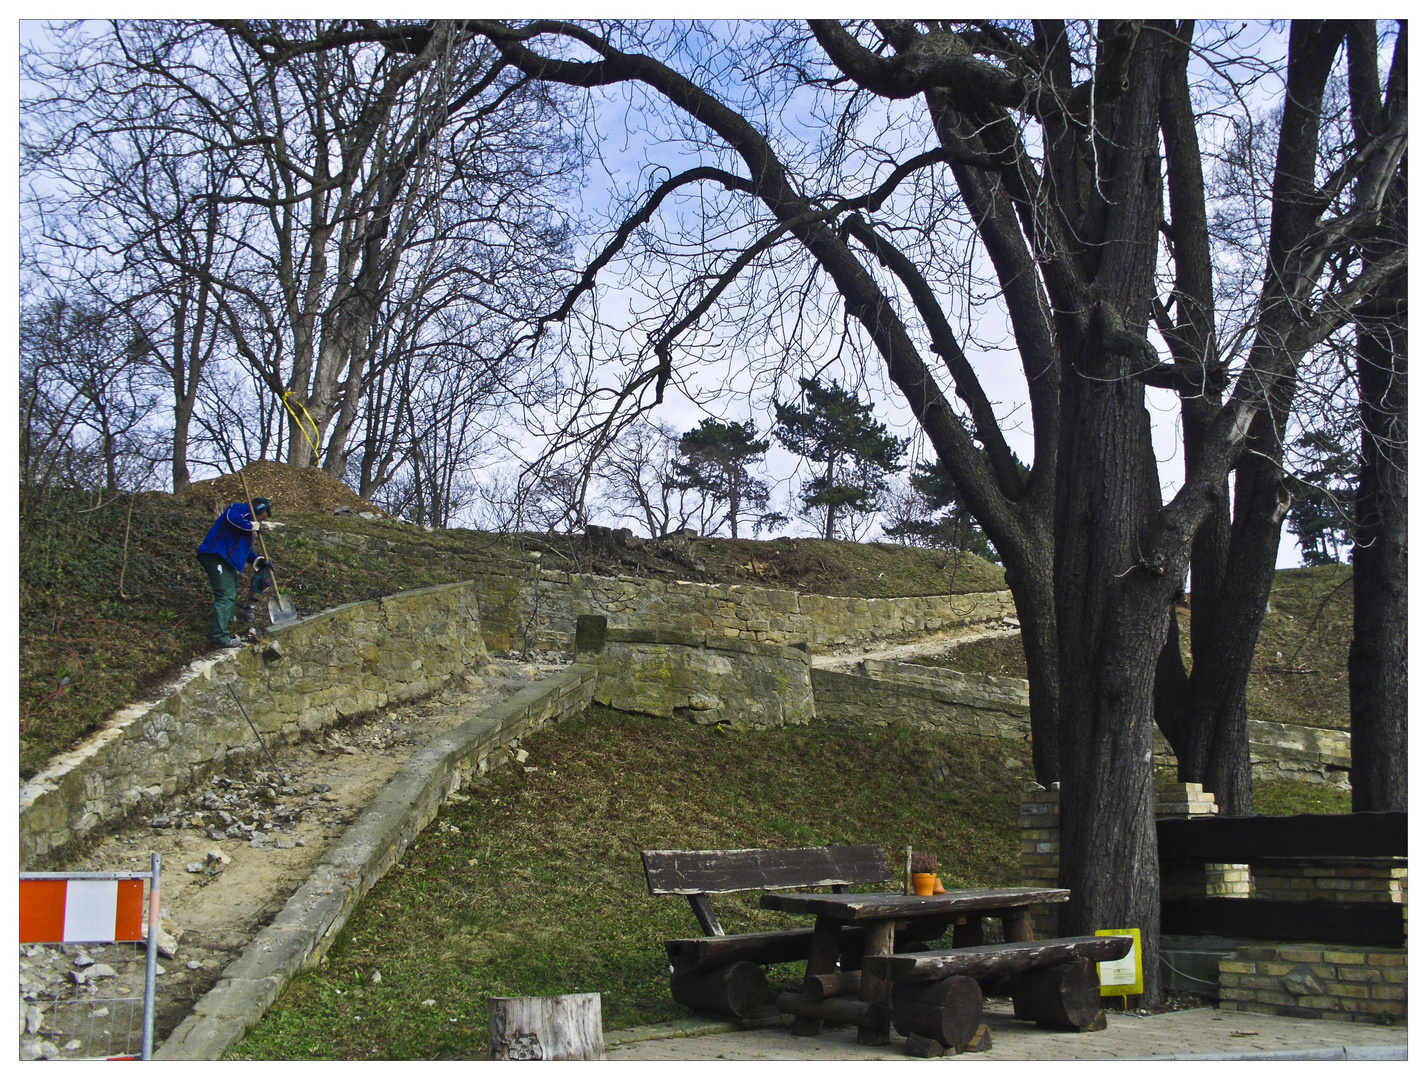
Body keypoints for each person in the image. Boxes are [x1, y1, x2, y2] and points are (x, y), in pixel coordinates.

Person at [196, 496, 274, 648]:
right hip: (217, 555)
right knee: (225, 595)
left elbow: (244, 551)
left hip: (228, 562)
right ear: (257, 509)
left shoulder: (245, 531)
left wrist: (259, 560)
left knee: (232, 590)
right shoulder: (239, 510)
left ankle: (228, 622)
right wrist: (252, 525)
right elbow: (232, 519)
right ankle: (219, 637)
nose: (260, 522)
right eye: (261, 517)